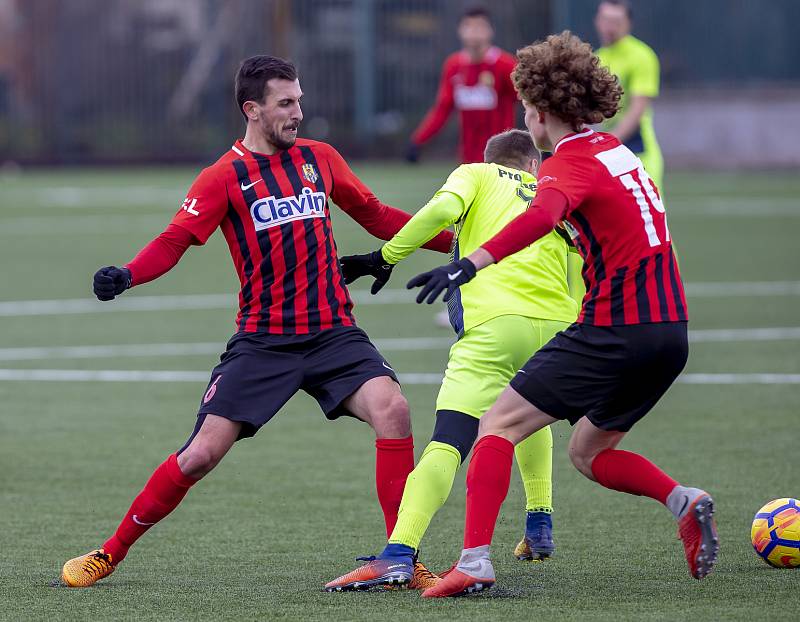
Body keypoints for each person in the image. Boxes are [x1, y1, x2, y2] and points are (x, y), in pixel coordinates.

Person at [60, 55, 454, 588]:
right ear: (253, 109)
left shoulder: (320, 158)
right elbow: (176, 240)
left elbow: (378, 215)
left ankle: (400, 558)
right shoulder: (223, 177)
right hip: (264, 343)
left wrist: (461, 243)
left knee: (394, 411)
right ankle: (109, 552)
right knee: (199, 455)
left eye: (300, 100)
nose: (298, 112)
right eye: (286, 103)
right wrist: (128, 274)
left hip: (334, 333)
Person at [406, 31, 718, 598]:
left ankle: (474, 562)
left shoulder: (567, 163)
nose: (524, 113)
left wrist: (470, 262)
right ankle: (683, 499)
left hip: (615, 326)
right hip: (669, 332)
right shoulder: (620, 154)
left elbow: (543, 214)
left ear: (542, 110)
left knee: (498, 424)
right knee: (589, 451)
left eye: (525, 103)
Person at [324, 129, 580, 591]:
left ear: (491, 159)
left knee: (448, 443)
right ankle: (539, 519)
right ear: (532, 166)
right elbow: (579, 266)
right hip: (561, 330)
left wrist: (386, 256)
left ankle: (398, 553)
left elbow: (442, 211)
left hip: (495, 327)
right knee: (526, 416)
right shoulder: (549, 194)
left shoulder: (476, 173)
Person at [406, 6, 517, 165]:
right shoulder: (454, 66)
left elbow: (530, 102)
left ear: (490, 31)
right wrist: (418, 141)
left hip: (502, 159)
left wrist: (542, 143)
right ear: (459, 30)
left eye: (479, 26)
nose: (474, 31)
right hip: (468, 161)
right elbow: (442, 109)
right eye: (468, 26)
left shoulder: (505, 65)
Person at [595, 0, 664, 189]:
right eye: (606, 20)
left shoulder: (641, 55)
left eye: (616, 21)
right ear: (597, 21)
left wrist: (607, 142)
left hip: (638, 151)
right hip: (609, 151)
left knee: (649, 216)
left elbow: (637, 110)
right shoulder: (597, 57)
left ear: (628, 23)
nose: (610, 27)